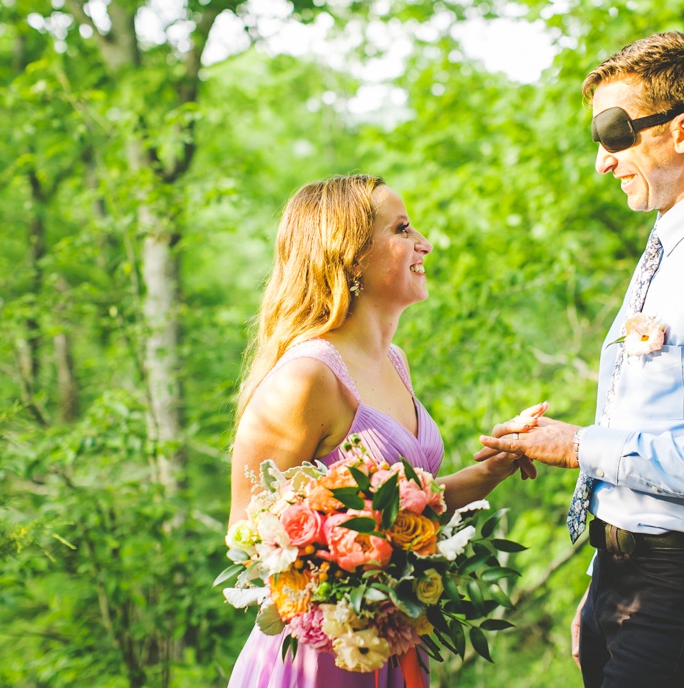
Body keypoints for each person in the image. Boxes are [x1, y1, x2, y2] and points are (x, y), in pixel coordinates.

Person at [480, 32, 684, 687]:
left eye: (615, 135)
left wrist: (579, 446)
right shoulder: (672, 243)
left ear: (683, 132)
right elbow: (653, 415)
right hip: (628, 572)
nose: (602, 162)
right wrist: (600, 584)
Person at [226, 174, 532, 686]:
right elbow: (246, 536)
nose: (424, 244)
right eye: (403, 229)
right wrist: (346, 574)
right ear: (348, 255)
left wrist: (494, 468)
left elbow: (412, 508)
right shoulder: (306, 379)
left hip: (389, 644)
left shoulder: (396, 362)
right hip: (317, 657)